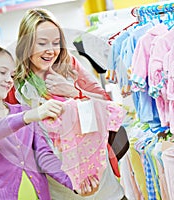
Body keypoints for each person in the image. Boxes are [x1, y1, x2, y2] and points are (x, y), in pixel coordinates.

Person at [13, 8, 126, 200]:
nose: (51, 50)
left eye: (55, 43)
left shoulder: (69, 66)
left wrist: (73, 92)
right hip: (62, 189)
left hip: (103, 183)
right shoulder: (16, 85)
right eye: (42, 43)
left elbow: (106, 105)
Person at [0, 44, 98, 200]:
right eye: (2, 72)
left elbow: (43, 156)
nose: (9, 80)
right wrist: (30, 115)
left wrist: (74, 183)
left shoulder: (21, 111)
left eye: (11, 75)